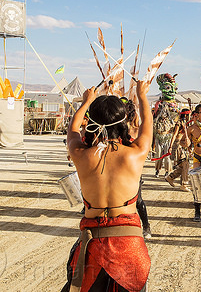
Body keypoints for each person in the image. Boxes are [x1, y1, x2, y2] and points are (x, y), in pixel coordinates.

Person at [62, 81, 152, 292]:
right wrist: (141, 95)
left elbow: (73, 129)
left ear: (91, 122)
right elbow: (148, 122)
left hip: (92, 249)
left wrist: (86, 102)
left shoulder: (80, 154)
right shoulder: (136, 153)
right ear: (123, 122)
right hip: (130, 248)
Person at [126, 98, 152, 239]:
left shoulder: (136, 131)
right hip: (121, 171)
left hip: (134, 172)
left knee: (138, 200)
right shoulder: (116, 132)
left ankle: (146, 225)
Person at [165, 109, 191, 192]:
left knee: (183, 166)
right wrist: (170, 146)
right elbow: (175, 135)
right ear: (186, 115)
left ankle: (170, 177)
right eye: (189, 115)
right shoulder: (179, 124)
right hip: (178, 145)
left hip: (182, 145)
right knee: (185, 164)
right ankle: (184, 184)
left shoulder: (186, 124)